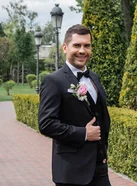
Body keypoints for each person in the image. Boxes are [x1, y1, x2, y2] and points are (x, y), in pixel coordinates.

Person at [38, 24, 111, 186]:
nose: (82, 50)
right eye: (77, 45)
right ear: (65, 47)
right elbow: (46, 124)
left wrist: (103, 151)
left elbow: (100, 115)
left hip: (99, 168)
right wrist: (83, 133)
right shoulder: (53, 81)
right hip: (71, 171)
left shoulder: (94, 77)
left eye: (87, 45)